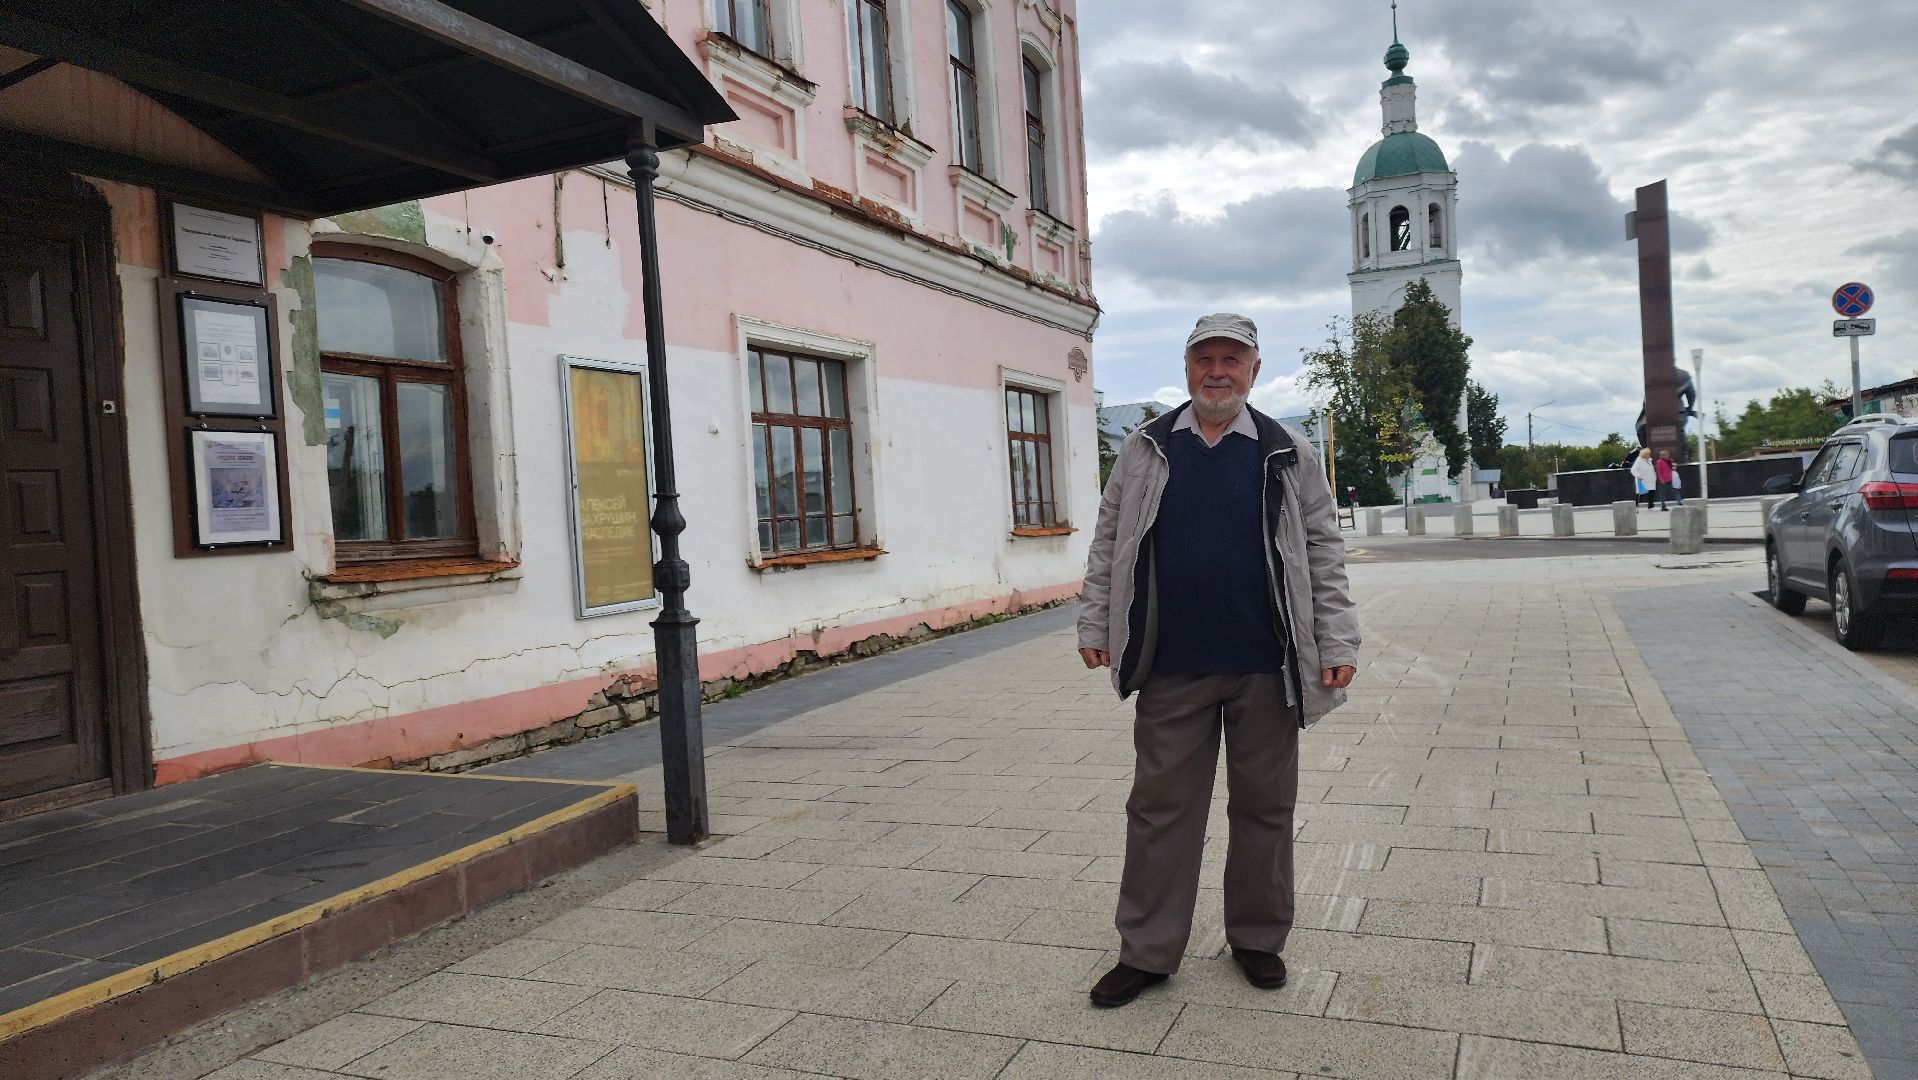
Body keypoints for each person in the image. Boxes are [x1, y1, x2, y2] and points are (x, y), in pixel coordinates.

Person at [1077, 312, 1361, 1008]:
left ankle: (1258, 940)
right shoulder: (1145, 448)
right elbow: (1109, 539)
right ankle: (1146, 951)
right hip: (1171, 666)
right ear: (1186, 366)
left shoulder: (1286, 449)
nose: (1216, 371)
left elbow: (1323, 550)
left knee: (1265, 809)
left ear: (1254, 370)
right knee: (1159, 810)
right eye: (1204, 358)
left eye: (1231, 359)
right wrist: (1094, 619)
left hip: (1268, 666)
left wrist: (1338, 640)